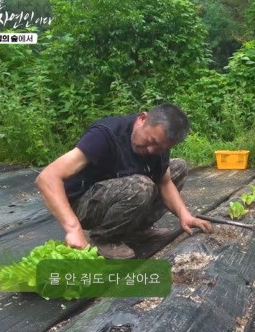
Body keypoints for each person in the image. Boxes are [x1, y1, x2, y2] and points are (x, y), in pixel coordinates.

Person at [35, 103, 213, 259]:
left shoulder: (158, 147)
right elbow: (47, 178)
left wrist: (184, 215)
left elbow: (165, 182)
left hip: (121, 194)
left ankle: (137, 231)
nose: (151, 150)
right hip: (83, 204)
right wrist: (73, 228)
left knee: (178, 167)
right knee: (142, 186)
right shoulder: (105, 134)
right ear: (142, 119)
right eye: (151, 141)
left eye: (160, 147)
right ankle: (104, 239)